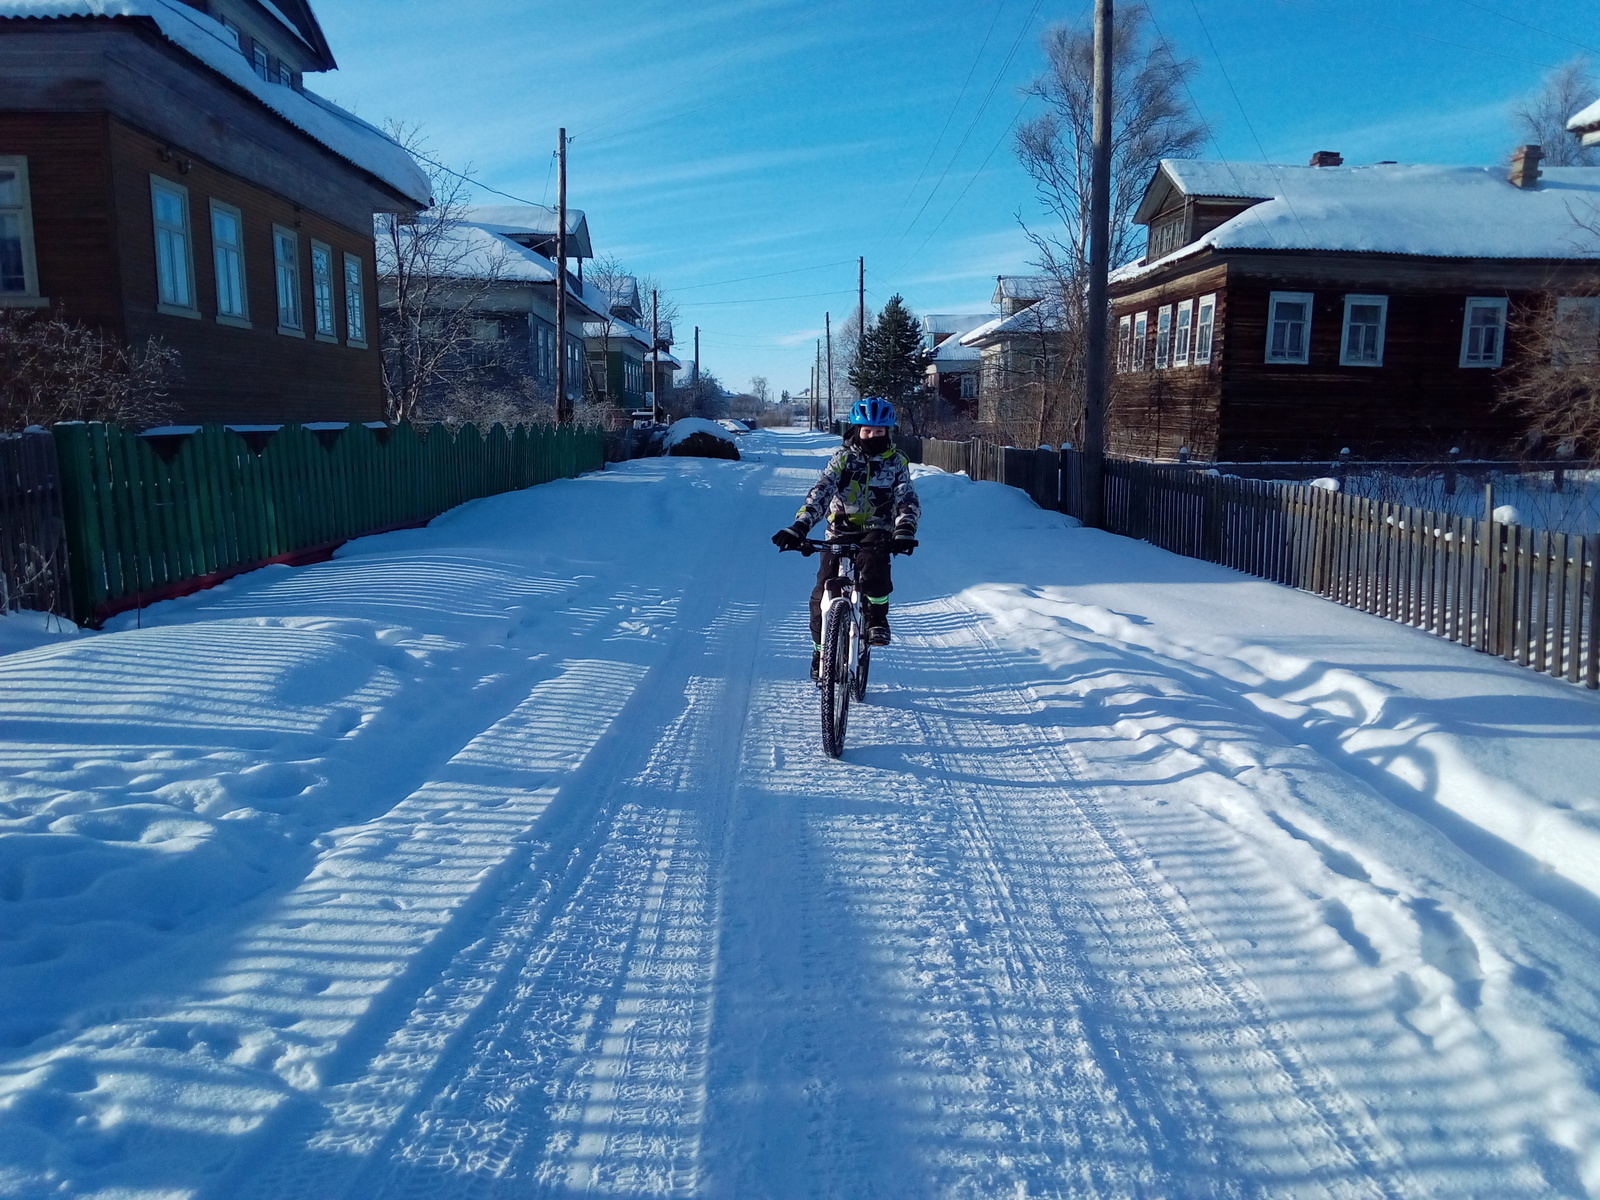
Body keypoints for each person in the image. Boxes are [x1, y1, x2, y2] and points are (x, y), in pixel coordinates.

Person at [772, 397, 920, 680]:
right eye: (867, 431)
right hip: (840, 529)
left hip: (877, 529)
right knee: (821, 593)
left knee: (873, 562)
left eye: (880, 431)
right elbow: (822, 492)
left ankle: (876, 619)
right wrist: (800, 527)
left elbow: (906, 496)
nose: (873, 436)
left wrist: (905, 529)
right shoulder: (843, 459)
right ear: (856, 430)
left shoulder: (896, 461)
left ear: (888, 432)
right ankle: (820, 652)